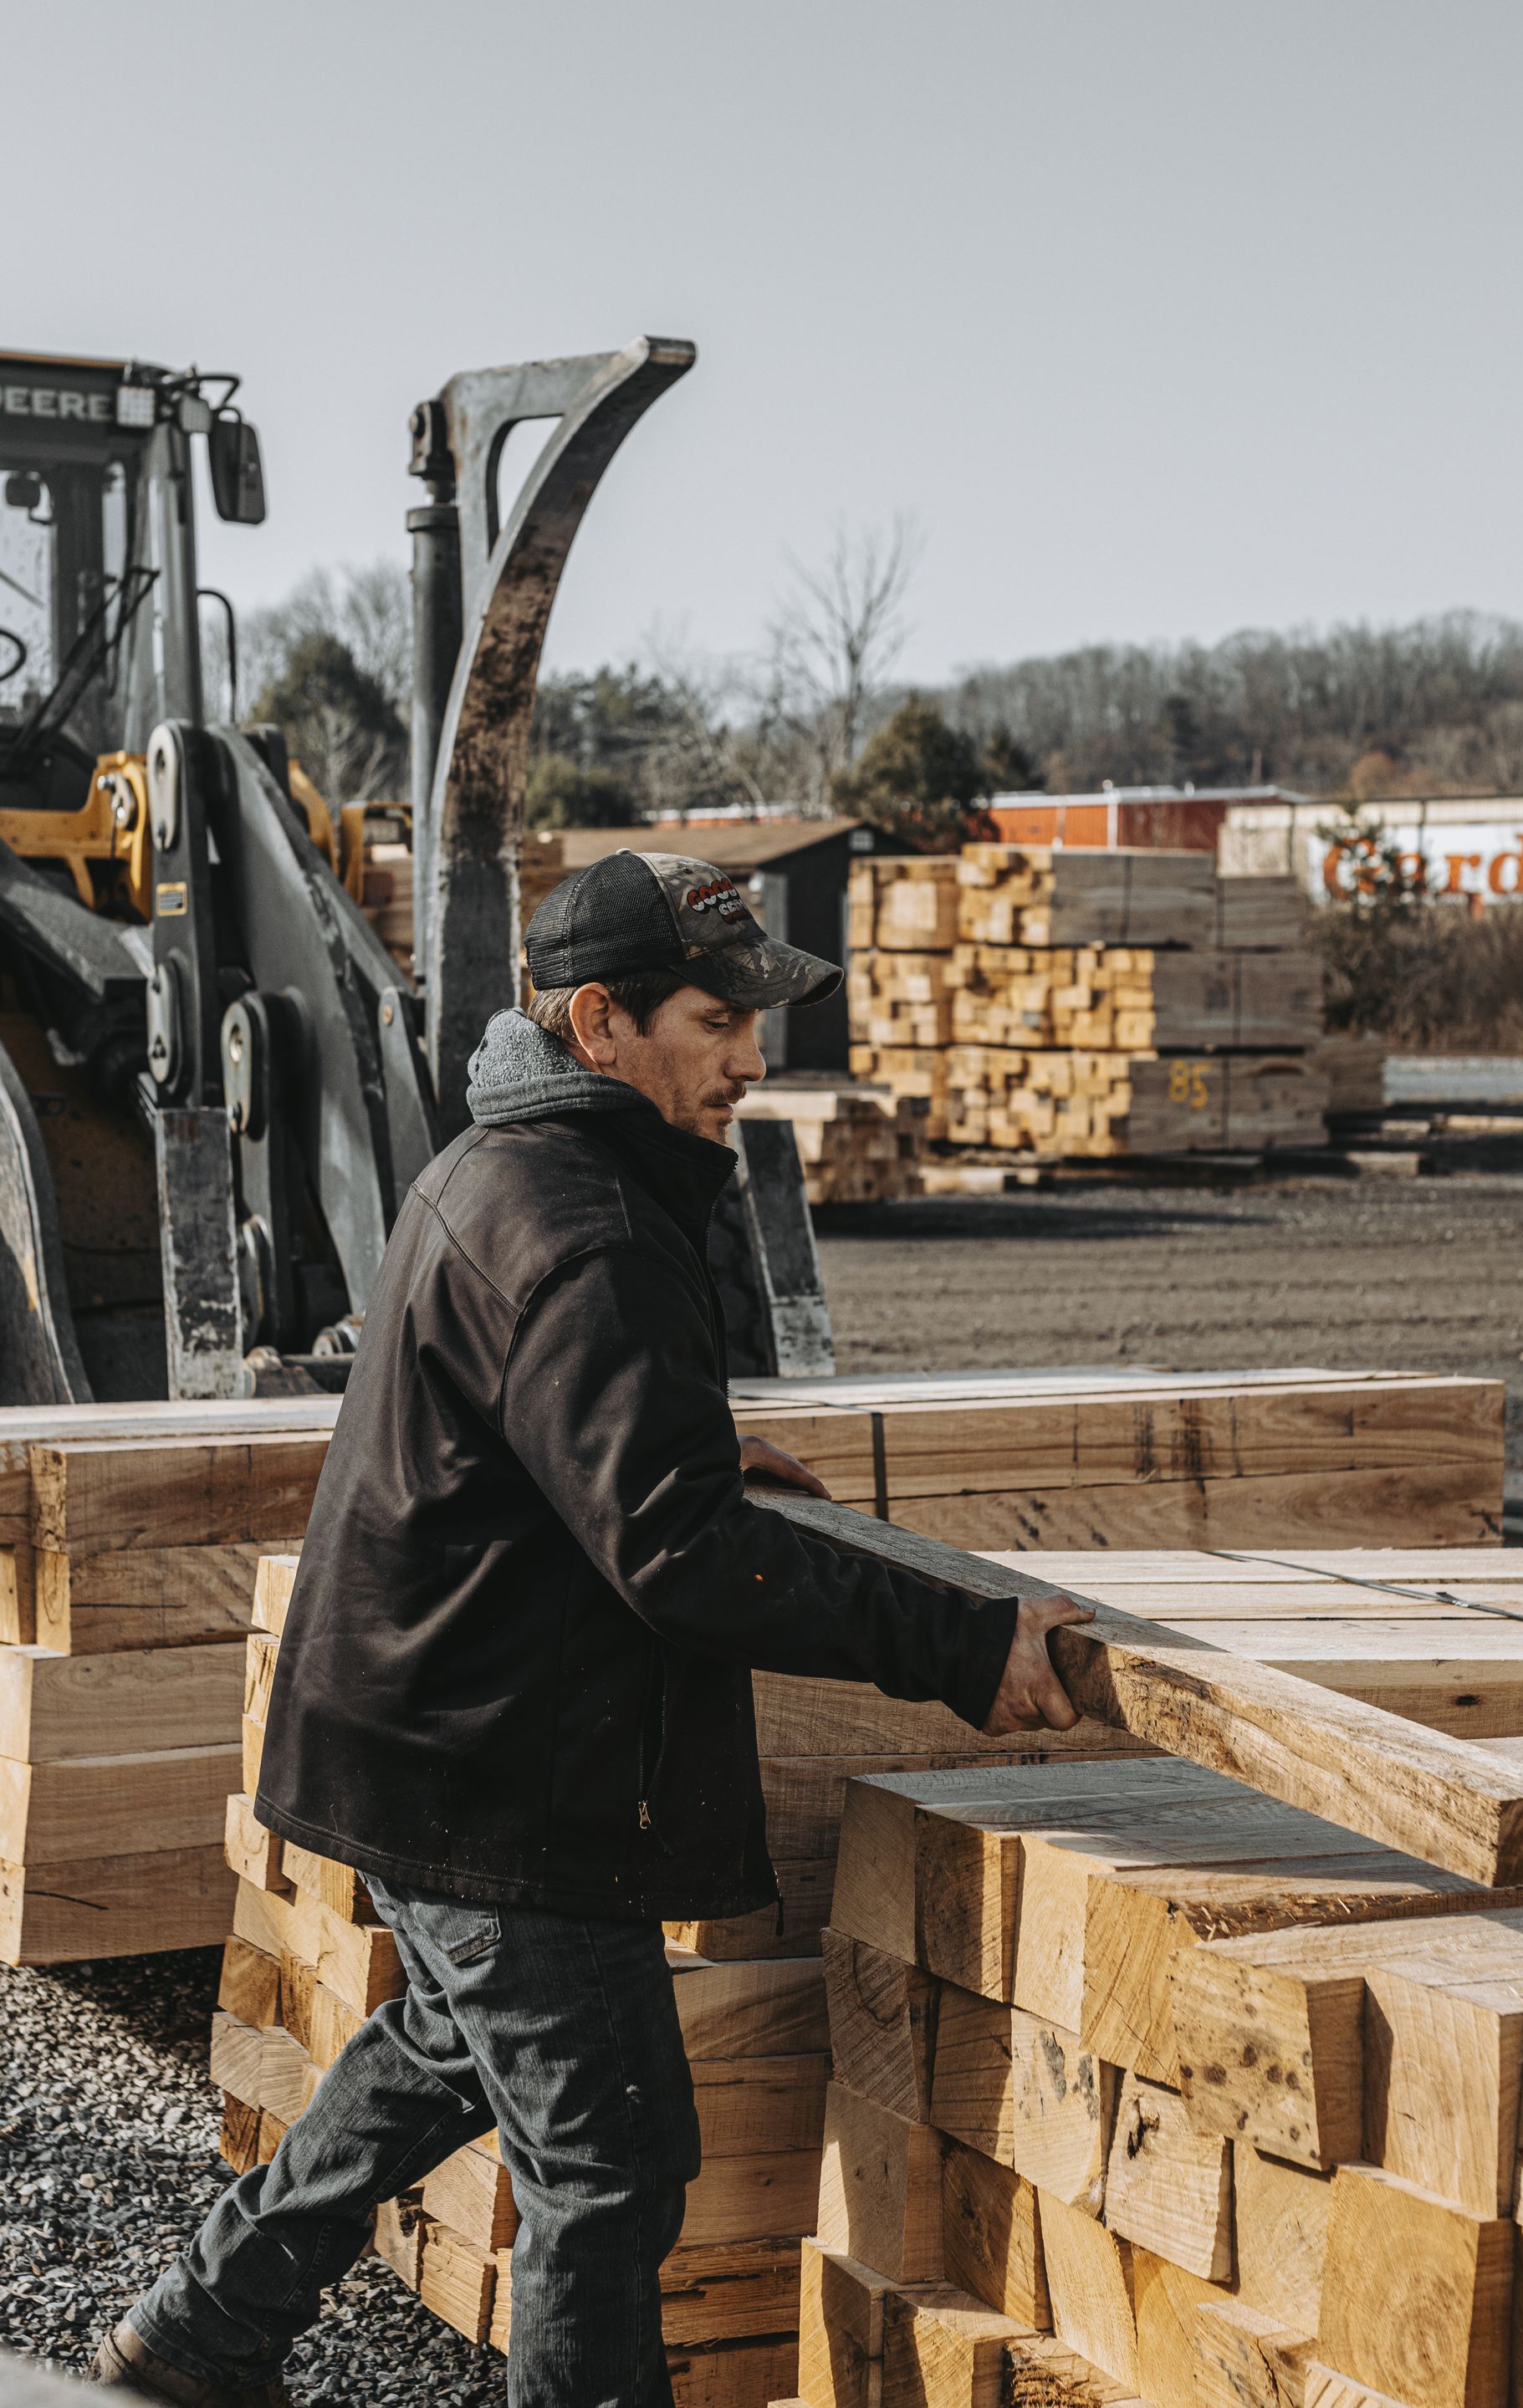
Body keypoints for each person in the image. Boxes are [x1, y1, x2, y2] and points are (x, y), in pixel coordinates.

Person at [93, 849, 1090, 2408]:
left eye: (757, 1018)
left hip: (411, 1739)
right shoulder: (592, 1233)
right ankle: (206, 2331)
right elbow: (685, 1558)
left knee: (441, 2045)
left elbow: (565, 1450)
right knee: (611, 2164)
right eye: (716, 1020)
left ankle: (201, 2331)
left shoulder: (497, 1167)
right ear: (597, 1025)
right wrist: (969, 1644)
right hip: (502, 1775)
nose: (754, 1060)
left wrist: (682, 1440)